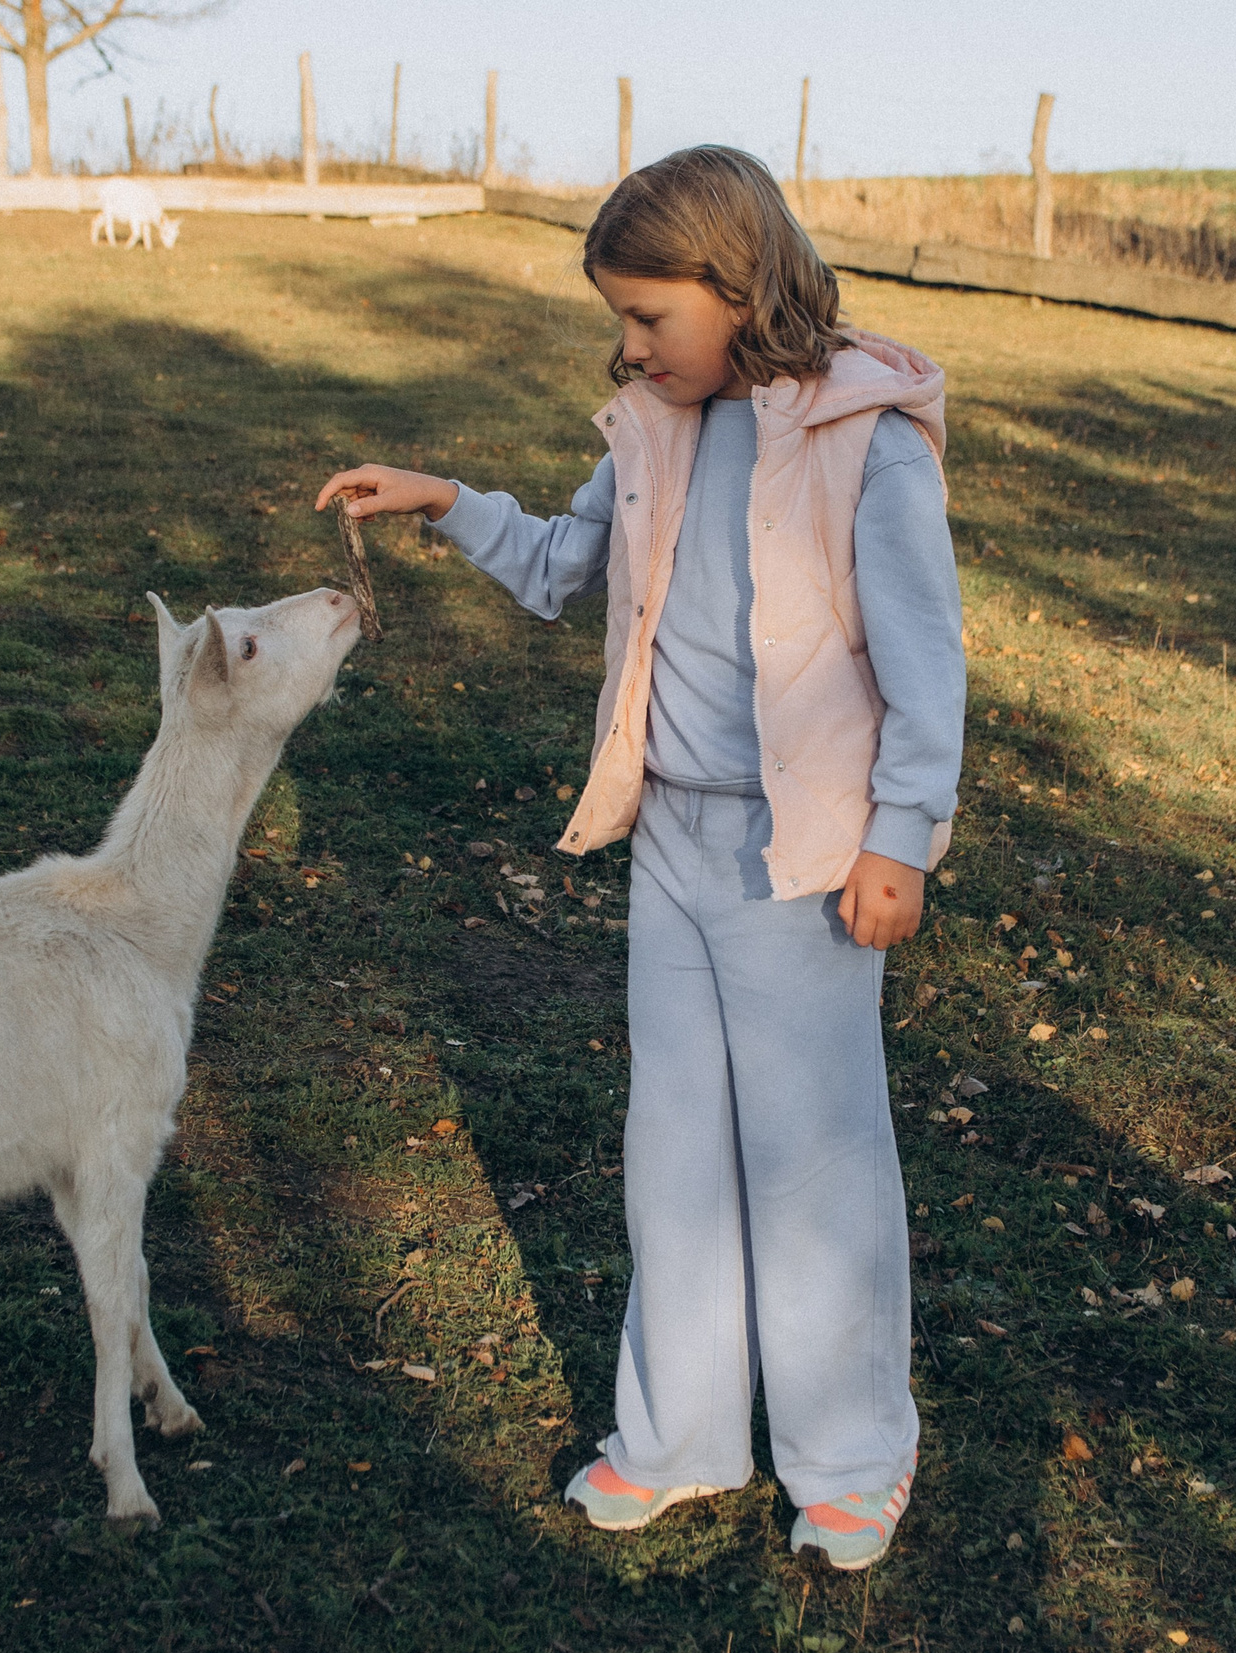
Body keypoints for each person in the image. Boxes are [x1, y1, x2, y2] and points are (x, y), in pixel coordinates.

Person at [315, 144, 963, 1571]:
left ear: (737, 287)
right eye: (621, 317)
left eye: (648, 315)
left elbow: (928, 664)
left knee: (812, 1161)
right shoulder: (652, 426)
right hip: (671, 837)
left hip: (806, 856)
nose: (627, 345)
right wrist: (442, 499)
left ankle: (852, 1455)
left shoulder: (867, 436)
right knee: (672, 1144)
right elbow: (563, 568)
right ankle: (678, 1436)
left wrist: (901, 837)